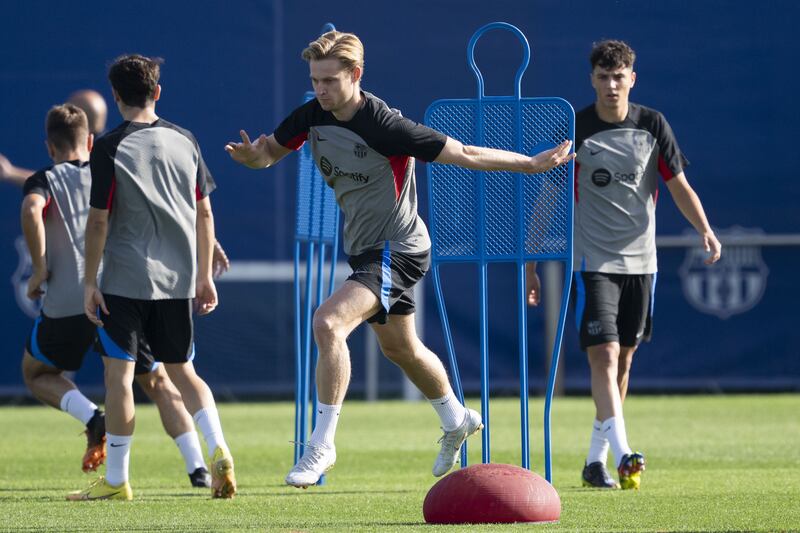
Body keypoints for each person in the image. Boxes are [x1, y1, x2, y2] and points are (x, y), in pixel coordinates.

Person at [225, 30, 573, 488]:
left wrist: (530, 164)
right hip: (366, 251)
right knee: (401, 349)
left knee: (328, 323)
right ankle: (456, 418)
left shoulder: (385, 126)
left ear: (356, 75)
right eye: (315, 79)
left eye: (330, 79)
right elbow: (269, 153)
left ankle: (322, 445)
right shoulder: (311, 116)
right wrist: (252, 158)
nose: (321, 88)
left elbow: (464, 152)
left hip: (401, 247)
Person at [527, 40, 721, 490]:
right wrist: (532, 263)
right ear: (591, 79)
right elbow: (547, 198)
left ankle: (595, 460)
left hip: (642, 262)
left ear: (632, 78)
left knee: (624, 363)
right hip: (593, 261)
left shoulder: (653, 125)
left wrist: (706, 230)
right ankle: (624, 452)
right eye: (603, 77)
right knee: (605, 354)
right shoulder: (575, 127)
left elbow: (679, 186)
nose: (611, 85)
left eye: (619, 77)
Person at [21, 103, 213, 488]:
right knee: (156, 381)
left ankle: (94, 420)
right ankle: (198, 468)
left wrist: (40, 267)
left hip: (67, 301)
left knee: (37, 372)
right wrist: (210, 246)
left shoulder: (45, 178)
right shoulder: (111, 167)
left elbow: (31, 207)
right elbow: (177, 208)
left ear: (49, 147)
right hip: (116, 292)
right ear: (90, 141)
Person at [71, 54, 236, 501]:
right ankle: (217, 446)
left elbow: (99, 220)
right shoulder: (185, 139)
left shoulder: (109, 146)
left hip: (125, 281)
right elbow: (204, 211)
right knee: (185, 372)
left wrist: (89, 282)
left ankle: (116, 480)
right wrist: (204, 276)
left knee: (118, 379)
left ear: (116, 96)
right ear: (157, 92)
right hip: (178, 282)